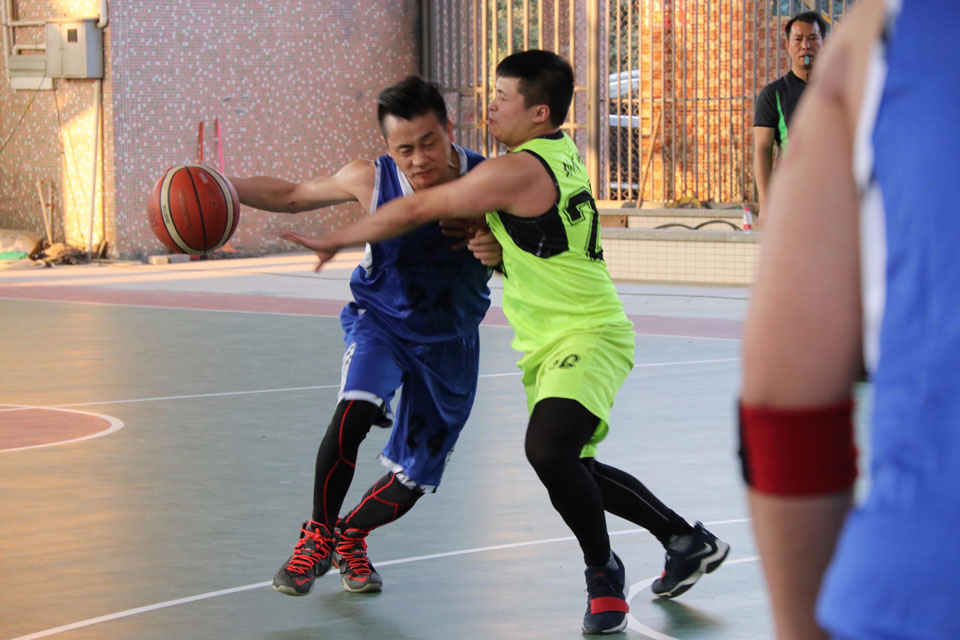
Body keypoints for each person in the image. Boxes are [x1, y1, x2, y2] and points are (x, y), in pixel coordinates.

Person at [282, 49, 729, 635]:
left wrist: (338, 236)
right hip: (547, 341)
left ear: (539, 112)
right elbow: (536, 237)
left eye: (501, 96)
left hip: (588, 331)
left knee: (548, 451)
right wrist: (495, 247)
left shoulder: (514, 169)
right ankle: (685, 540)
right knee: (575, 467)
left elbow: (419, 206)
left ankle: (603, 575)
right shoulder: (555, 153)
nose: (489, 105)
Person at [230, 76, 501, 596]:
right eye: (404, 149)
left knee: (415, 478)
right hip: (381, 323)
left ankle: (350, 535)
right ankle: (316, 538)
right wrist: (218, 184)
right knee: (355, 410)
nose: (418, 159)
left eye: (429, 143)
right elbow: (291, 196)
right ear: (387, 147)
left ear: (449, 129)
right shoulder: (371, 178)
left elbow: (536, 250)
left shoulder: (490, 180)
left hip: (450, 342)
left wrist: (498, 246)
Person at [740, 0, 960, 638]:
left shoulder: (882, 32)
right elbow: (762, 152)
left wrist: (800, 626)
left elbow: (786, 381)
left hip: (924, 581)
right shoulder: (782, 92)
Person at [753, 11, 827, 218]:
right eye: (798, 39)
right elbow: (762, 149)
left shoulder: (841, 90)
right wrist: (765, 204)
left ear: (824, 43)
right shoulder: (773, 94)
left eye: (813, 38)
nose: (805, 46)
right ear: (787, 45)